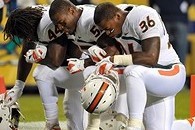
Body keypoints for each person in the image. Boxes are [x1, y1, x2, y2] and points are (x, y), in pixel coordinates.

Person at [93, 2, 186, 130]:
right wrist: (96, 50)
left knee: (131, 71)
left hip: (169, 72)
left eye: (109, 29)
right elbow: (110, 48)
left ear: (117, 17)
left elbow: (151, 58)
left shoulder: (143, 15)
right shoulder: (115, 18)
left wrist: (115, 59)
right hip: (147, 80)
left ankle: (133, 124)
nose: (108, 33)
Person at [3, 5, 90, 130]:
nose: (27, 38)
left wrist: (37, 58)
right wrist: (18, 87)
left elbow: (55, 60)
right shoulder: (34, 16)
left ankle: (52, 124)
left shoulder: (49, 23)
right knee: (73, 118)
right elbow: (26, 49)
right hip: (79, 67)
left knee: (42, 73)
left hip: (91, 68)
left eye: (26, 35)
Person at [49, 0, 128, 129]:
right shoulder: (75, 21)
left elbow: (113, 50)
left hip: (119, 69)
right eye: (57, 25)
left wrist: (84, 63)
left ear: (71, 11)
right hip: (107, 68)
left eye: (61, 22)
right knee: (71, 103)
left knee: (109, 119)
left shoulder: (87, 21)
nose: (59, 28)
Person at [149, 0, 193, 65]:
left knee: (179, 53)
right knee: (162, 54)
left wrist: (187, 3)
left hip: (178, 19)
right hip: (162, 20)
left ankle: (180, 73)